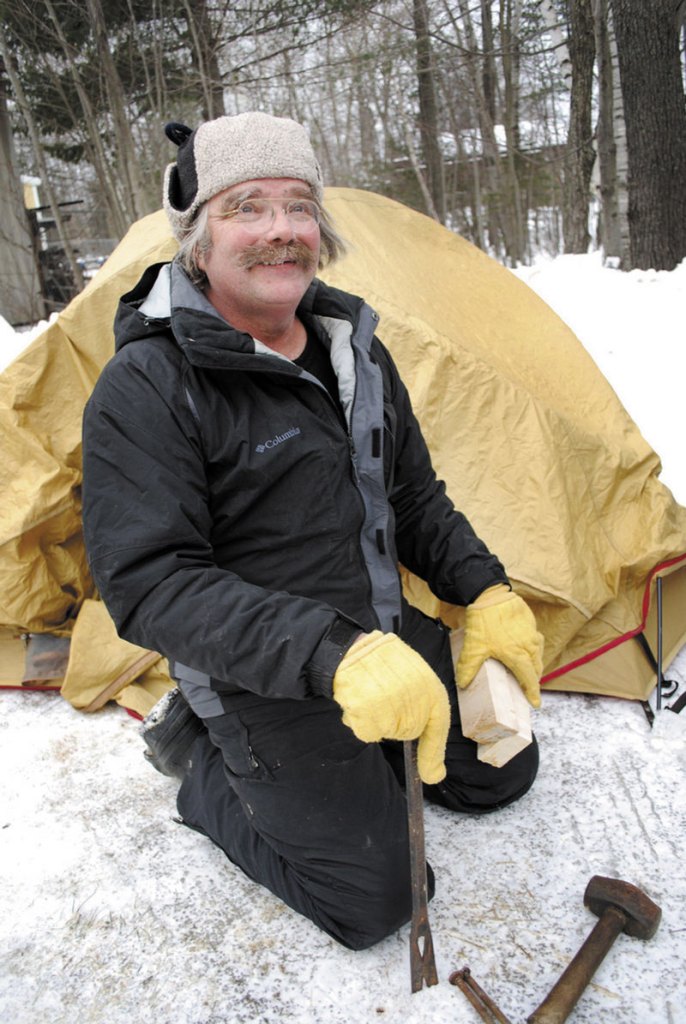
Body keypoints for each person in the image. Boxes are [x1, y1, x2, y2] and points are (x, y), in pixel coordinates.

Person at [82, 111, 544, 952]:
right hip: (268, 673)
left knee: (501, 770)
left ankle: (351, 753)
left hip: (381, 633)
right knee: (384, 898)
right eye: (247, 207)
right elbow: (149, 584)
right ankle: (211, 772)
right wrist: (333, 656)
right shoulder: (146, 383)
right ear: (198, 237)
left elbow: (413, 496)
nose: (280, 231)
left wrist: (487, 590)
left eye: (298, 207)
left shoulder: (352, 347)